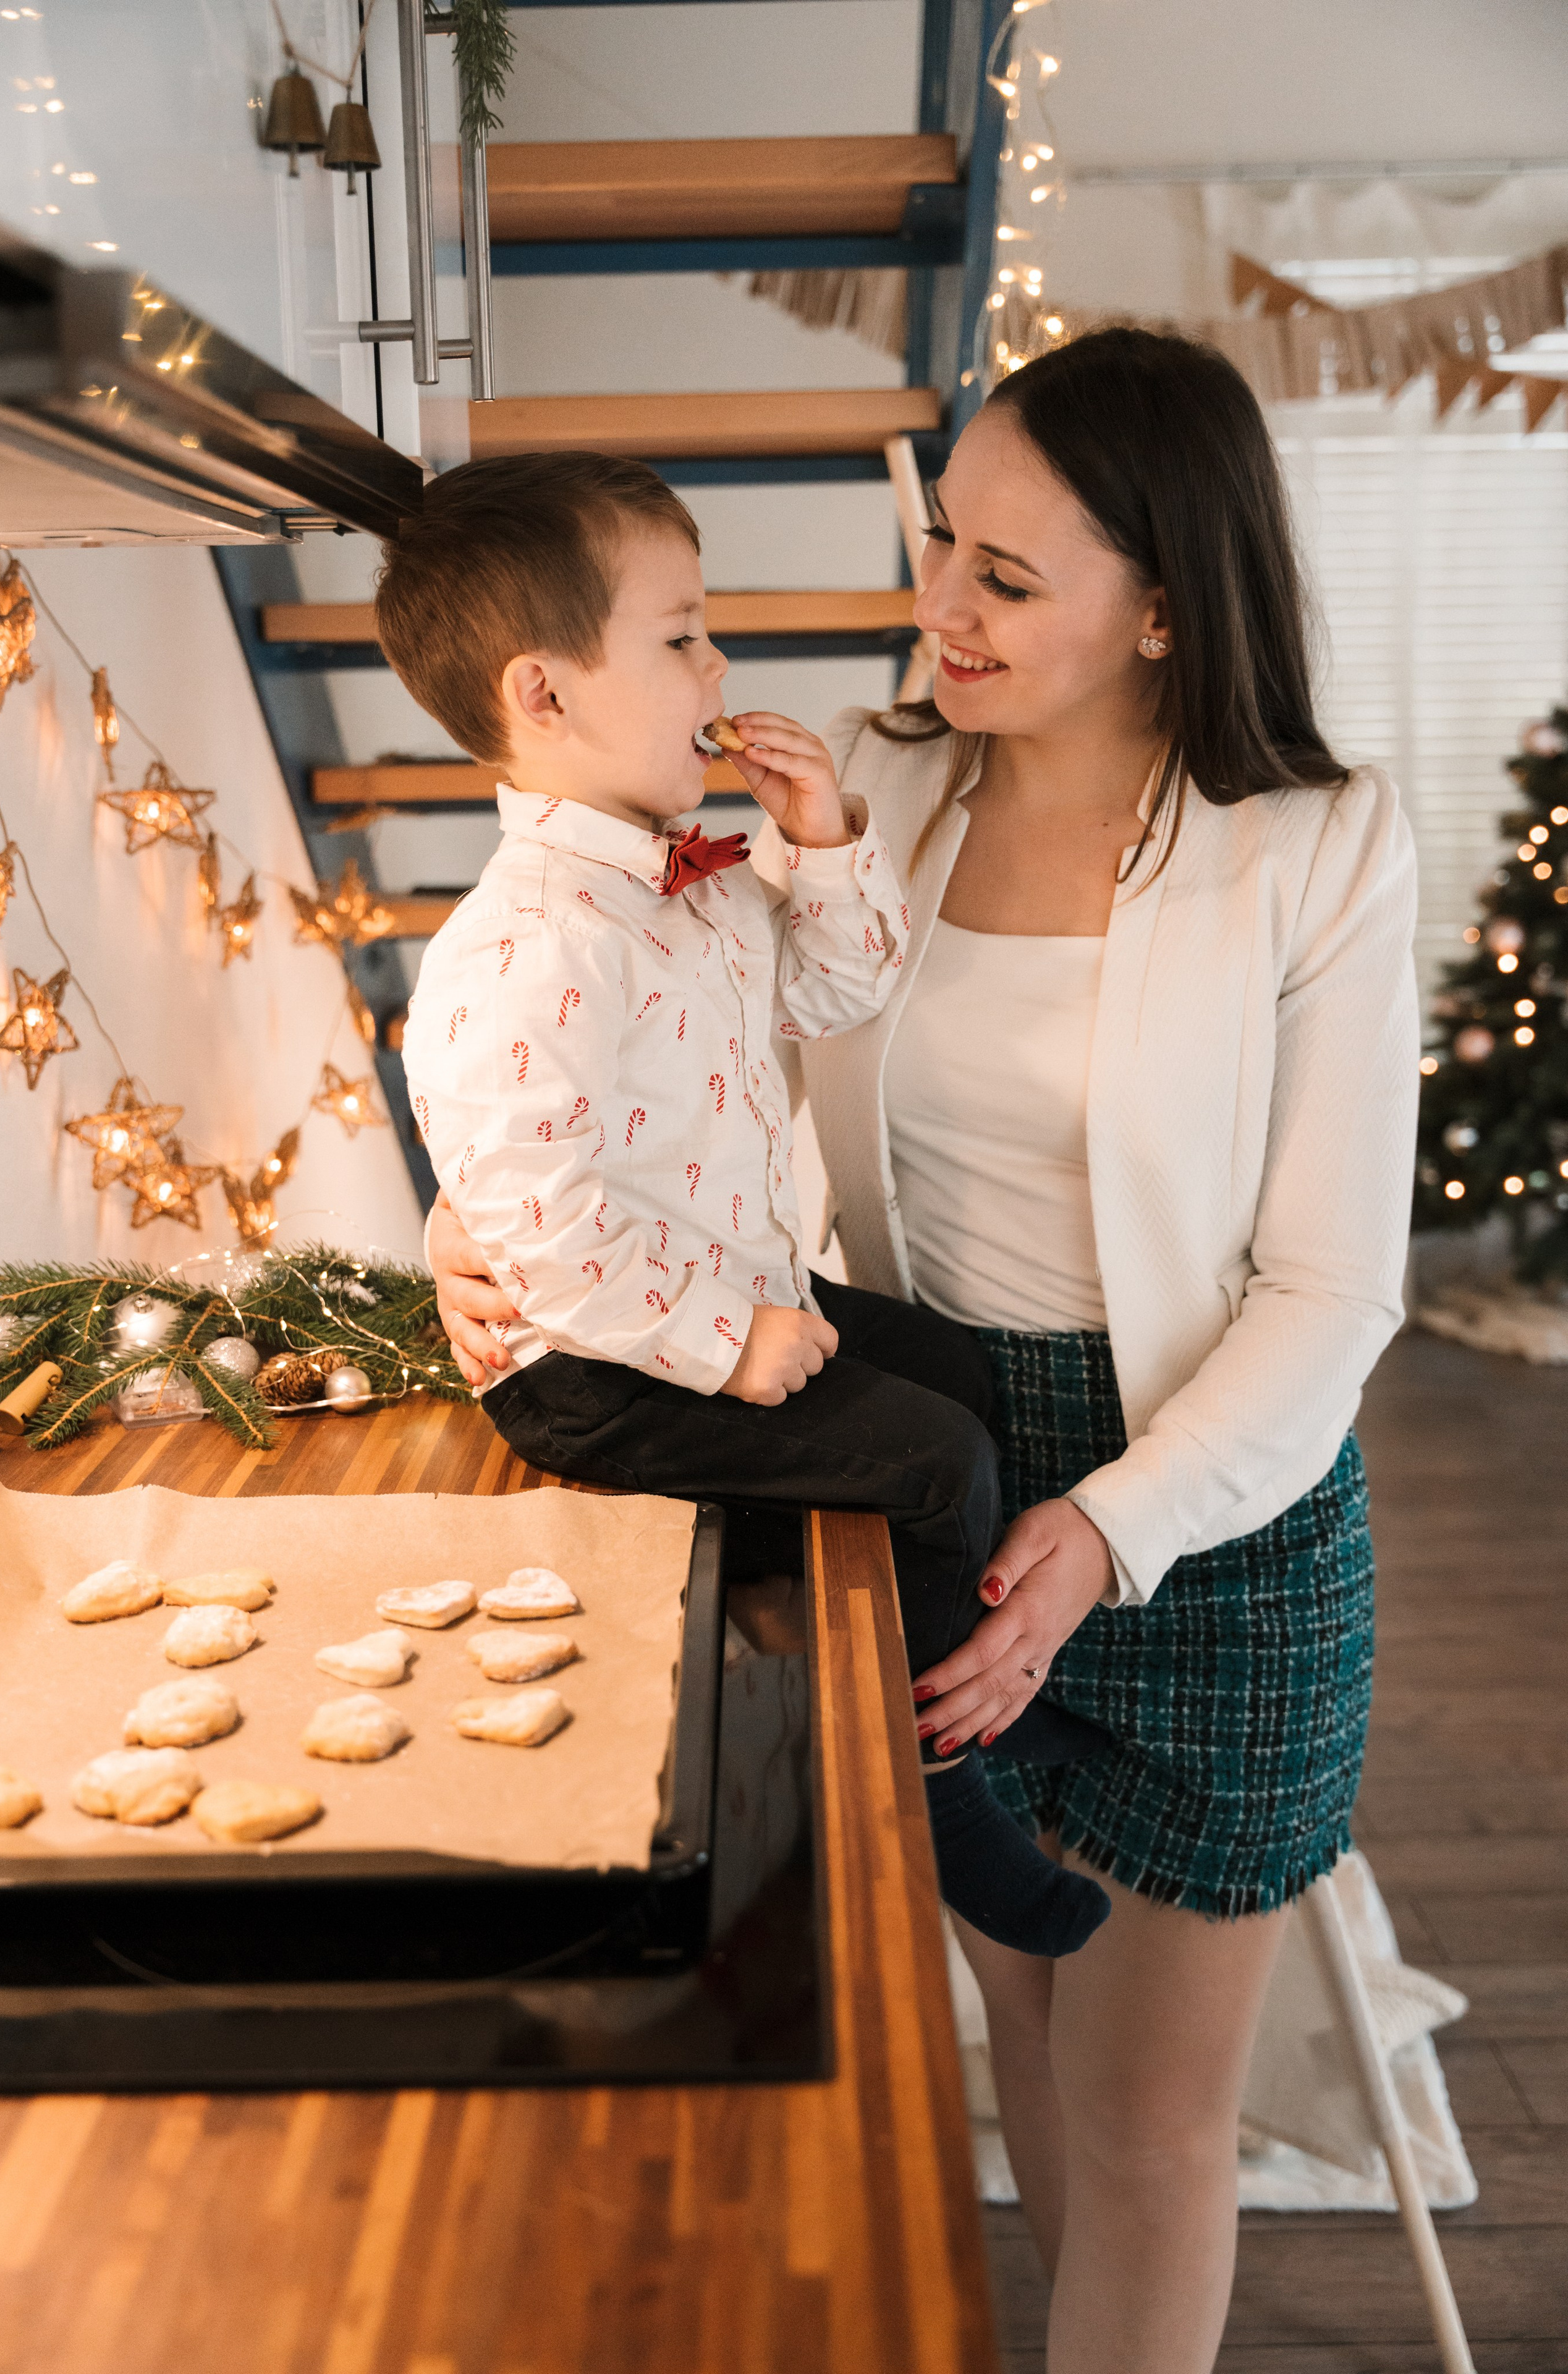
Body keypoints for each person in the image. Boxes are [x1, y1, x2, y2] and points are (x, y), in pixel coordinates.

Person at [428, 331, 1420, 2373]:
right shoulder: (862, 785)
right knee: (1030, 2033)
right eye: (939, 544)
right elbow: (592, 1037)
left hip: (1204, 1512)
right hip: (917, 1445)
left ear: (1165, 606)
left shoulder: (1319, 844)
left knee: (1154, 2129)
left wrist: (1115, 1530)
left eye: (1006, 577)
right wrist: (474, 1237)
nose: (934, 610)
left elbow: (1334, 1293)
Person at [378, 450, 1109, 1962]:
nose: (719, 663)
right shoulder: (521, 946)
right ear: (545, 694)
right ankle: (932, 1782)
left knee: (960, 1371)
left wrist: (821, 837)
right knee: (933, 1459)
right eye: (679, 634)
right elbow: (540, 1222)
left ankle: (962, 1694)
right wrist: (724, 1341)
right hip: (603, 1368)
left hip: (738, 1286)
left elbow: (843, 988)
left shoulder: (697, 876)